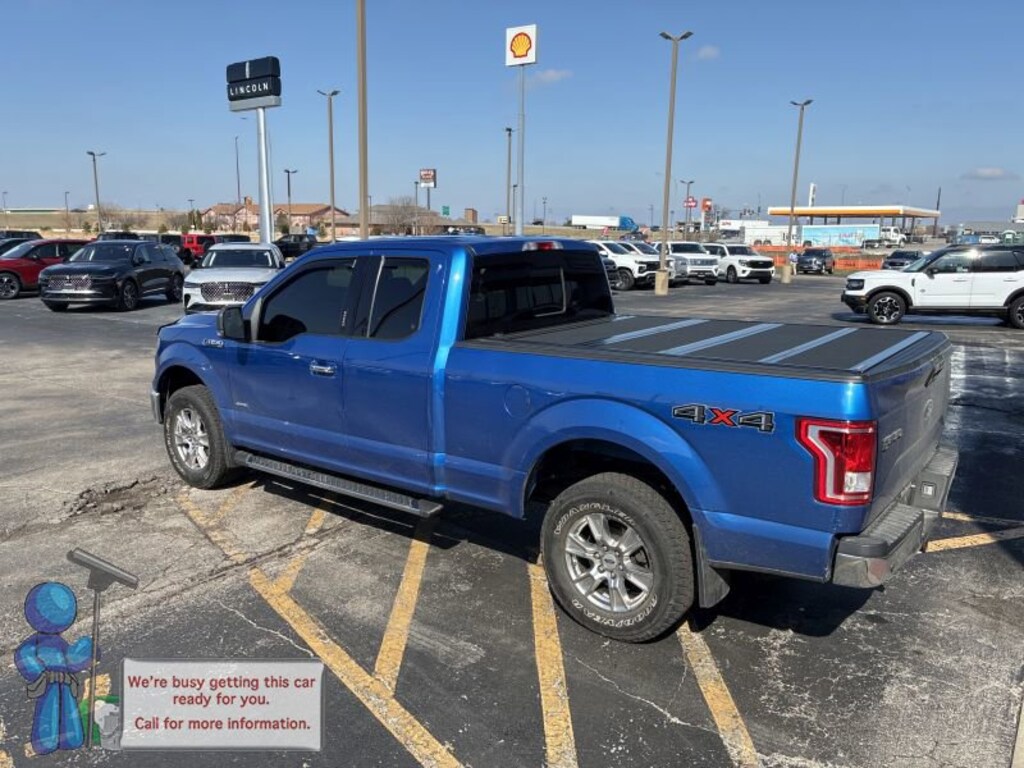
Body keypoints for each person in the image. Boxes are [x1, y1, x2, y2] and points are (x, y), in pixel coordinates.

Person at [15, 582, 94, 754]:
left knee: (68, 709)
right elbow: (25, 655)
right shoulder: (36, 642)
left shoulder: (60, 643)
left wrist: (86, 651)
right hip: (48, 681)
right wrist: (39, 672)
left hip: (64, 682)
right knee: (48, 709)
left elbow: (71, 660)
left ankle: (72, 738)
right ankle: (46, 741)